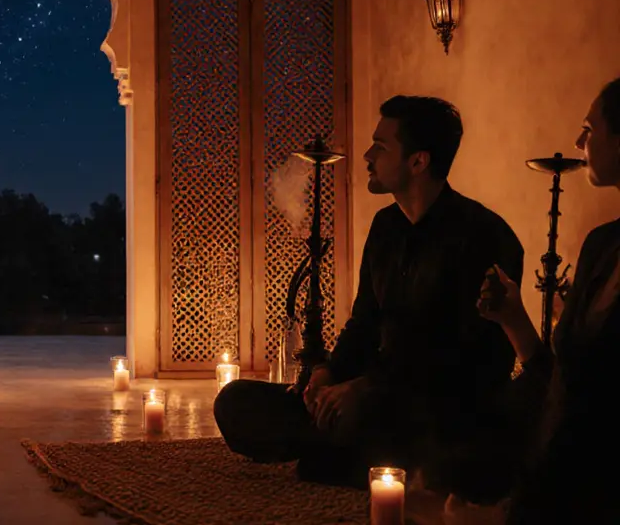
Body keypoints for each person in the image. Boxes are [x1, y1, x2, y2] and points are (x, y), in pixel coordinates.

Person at [214, 95, 523, 492]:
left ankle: (348, 453)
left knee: (436, 438)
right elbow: (364, 322)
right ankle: (347, 452)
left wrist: (368, 389)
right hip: (373, 397)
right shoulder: (385, 228)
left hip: (436, 409)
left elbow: (478, 362)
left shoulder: (482, 236)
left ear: (418, 161)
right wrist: (329, 373)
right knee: (235, 402)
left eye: (381, 145)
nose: (366, 155)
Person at [457, 76, 620, 524]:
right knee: (455, 453)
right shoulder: (602, 245)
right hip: (566, 445)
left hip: (602, 462)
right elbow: (561, 380)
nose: (578, 140)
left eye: (590, 128)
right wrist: (513, 319)